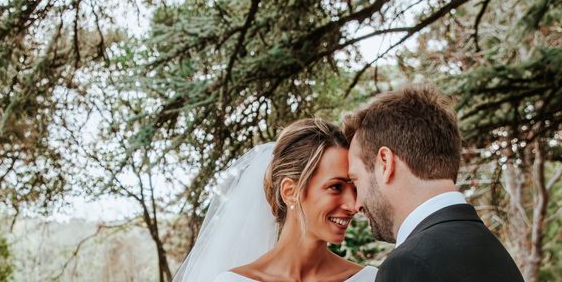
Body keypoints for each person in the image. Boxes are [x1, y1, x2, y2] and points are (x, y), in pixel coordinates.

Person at [344, 84, 525, 282]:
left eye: (356, 179)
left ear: (385, 163)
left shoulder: (408, 264)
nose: (357, 204)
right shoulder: (492, 250)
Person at [173, 118, 377, 282]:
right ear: (290, 191)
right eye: (335, 187)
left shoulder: (370, 279)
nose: (353, 205)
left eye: (355, 187)